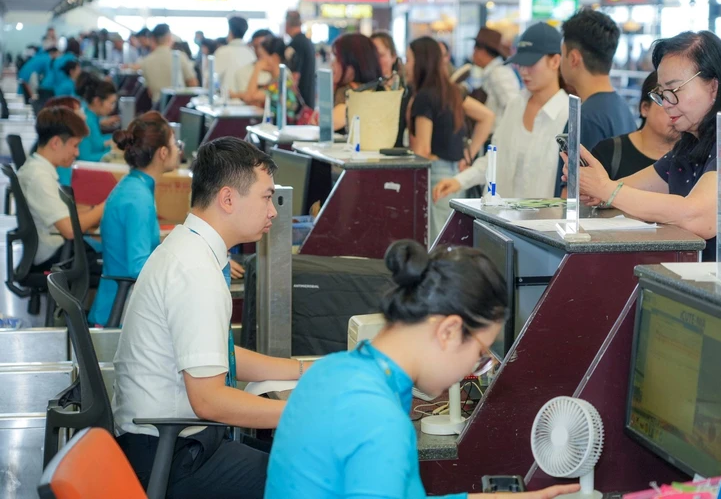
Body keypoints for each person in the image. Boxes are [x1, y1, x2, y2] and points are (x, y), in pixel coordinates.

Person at [265, 239, 581, 499]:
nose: (473, 369)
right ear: (448, 331)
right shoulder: (380, 419)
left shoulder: (331, 370)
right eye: (480, 354)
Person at [113, 137, 307, 499]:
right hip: (173, 460)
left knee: (298, 460)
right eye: (266, 198)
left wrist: (299, 371)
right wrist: (305, 409)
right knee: (313, 478)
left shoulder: (187, 247)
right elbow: (209, 400)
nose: (274, 212)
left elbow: (220, 357)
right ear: (229, 198)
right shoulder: (196, 272)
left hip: (169, 447)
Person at [568, 31, 721, 263]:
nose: (665, 104)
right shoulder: (691, 145)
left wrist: (607, 190)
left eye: (673, 91)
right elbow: (632, 190)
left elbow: (700, 217)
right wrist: (594, 186)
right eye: (661, 94)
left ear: (713, 87)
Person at [433, 23, 568, 204]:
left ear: (555, 61)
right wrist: (460, 180)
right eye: (520, 64)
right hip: (504, 223)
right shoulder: (516, 105)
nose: (523, 71)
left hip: (544, 227)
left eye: (531, 63)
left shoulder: (568, 115)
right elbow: (495, 157)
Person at [88, 112, 180, 327]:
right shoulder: (138, 198)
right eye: (176, 144)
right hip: (123, 311)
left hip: (117, 303)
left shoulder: (133, 185)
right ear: (163, 153)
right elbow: (138, 267)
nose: (178, 149)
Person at [407, 37, 494, 236]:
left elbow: (422, 150)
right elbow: (487, 117)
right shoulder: (451, 91)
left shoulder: (424, 97)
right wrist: (468, 154)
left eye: (409, 59)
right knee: (448, 237)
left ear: (421, 62)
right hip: (455, 174)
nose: (406, 65)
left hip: (435, 174)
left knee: (435, 240)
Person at [17, 107, 104, 272]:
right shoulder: (39, 177)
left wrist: (92, 210)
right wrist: (105, 206)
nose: (77, 152)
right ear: (56, 143)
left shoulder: (37, 168)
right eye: (75, 145)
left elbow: (62, 210)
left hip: (56, 251)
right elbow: (70, 230)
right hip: (56, 257)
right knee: (116, 265)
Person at [560, 9, 637, 151]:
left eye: (562, 54)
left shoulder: (585, 119)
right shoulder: (623, 109)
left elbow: (571, 173)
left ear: (573, 59)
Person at [591, 71, 680, 180]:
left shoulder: (693, 161)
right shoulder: (608, 152)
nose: (676, 113)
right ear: (645, 108)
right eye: (667, 102)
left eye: (680, 105)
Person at [471, 27, 521, 132]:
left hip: (497, 137)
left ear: (482, 52)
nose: (473, 54)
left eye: (475, 49)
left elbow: (512, 106)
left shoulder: (498, 73)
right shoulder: (493, 72)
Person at [237, 37, 298, 123]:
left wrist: (257, 69)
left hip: (281, 132)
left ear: (274, 58)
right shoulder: (276, 80)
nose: (259, 61)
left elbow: (249, 97)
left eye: (261, 57)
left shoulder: (280, 83)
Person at [330, 33, 383, 132]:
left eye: (336, 59)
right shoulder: (380, 91)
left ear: (352, 66)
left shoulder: (352, 95)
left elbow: (328, 124)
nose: (332, 64)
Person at [140, 24, 198, 102]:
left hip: (158, 109)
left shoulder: (146, 61)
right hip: (179, 106)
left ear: (153, 39)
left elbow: (150, 92)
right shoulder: (179, 56)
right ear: (169, 37)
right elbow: (193, 83)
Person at [214, 16, 256, 94]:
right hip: (246, 100)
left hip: (226, 99)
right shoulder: (251, 52)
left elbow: (213, 79)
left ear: (230, 31)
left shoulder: (222, 52)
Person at [285, 10, 316, 108]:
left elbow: (295, 75)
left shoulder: (296, 43)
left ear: (287, 24)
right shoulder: (306, 41)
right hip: (308, 96)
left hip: (300, 101)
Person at [231, 29, 274, 94]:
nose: (259, 51)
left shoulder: (283, 72)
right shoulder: (243, 72)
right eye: (256, 47)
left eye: (264, 46)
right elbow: (248, 99)